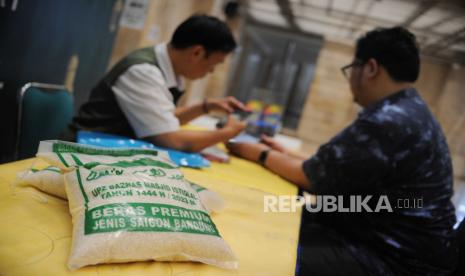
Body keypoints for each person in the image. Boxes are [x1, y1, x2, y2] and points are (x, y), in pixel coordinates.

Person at [227, 27, 458, 275]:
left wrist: (255, 152)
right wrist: (286, 154)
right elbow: (341, 169)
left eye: (351, 69)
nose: (350, 80)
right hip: (387, 233)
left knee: (269, 245)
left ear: (370, 68)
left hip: (395, 258)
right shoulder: (409, 108)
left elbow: (313, 179)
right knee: (286, 214)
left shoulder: (387, 120)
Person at [64, 14, 247, 152]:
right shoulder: (143, 72)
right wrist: (228, 133)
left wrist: (206, 107)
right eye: (213, 64)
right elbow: (172, 139)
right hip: (83, 153)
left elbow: (161, 120)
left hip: (109, 149)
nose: (211, 71)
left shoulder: (169, 69)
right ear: (197, 53)